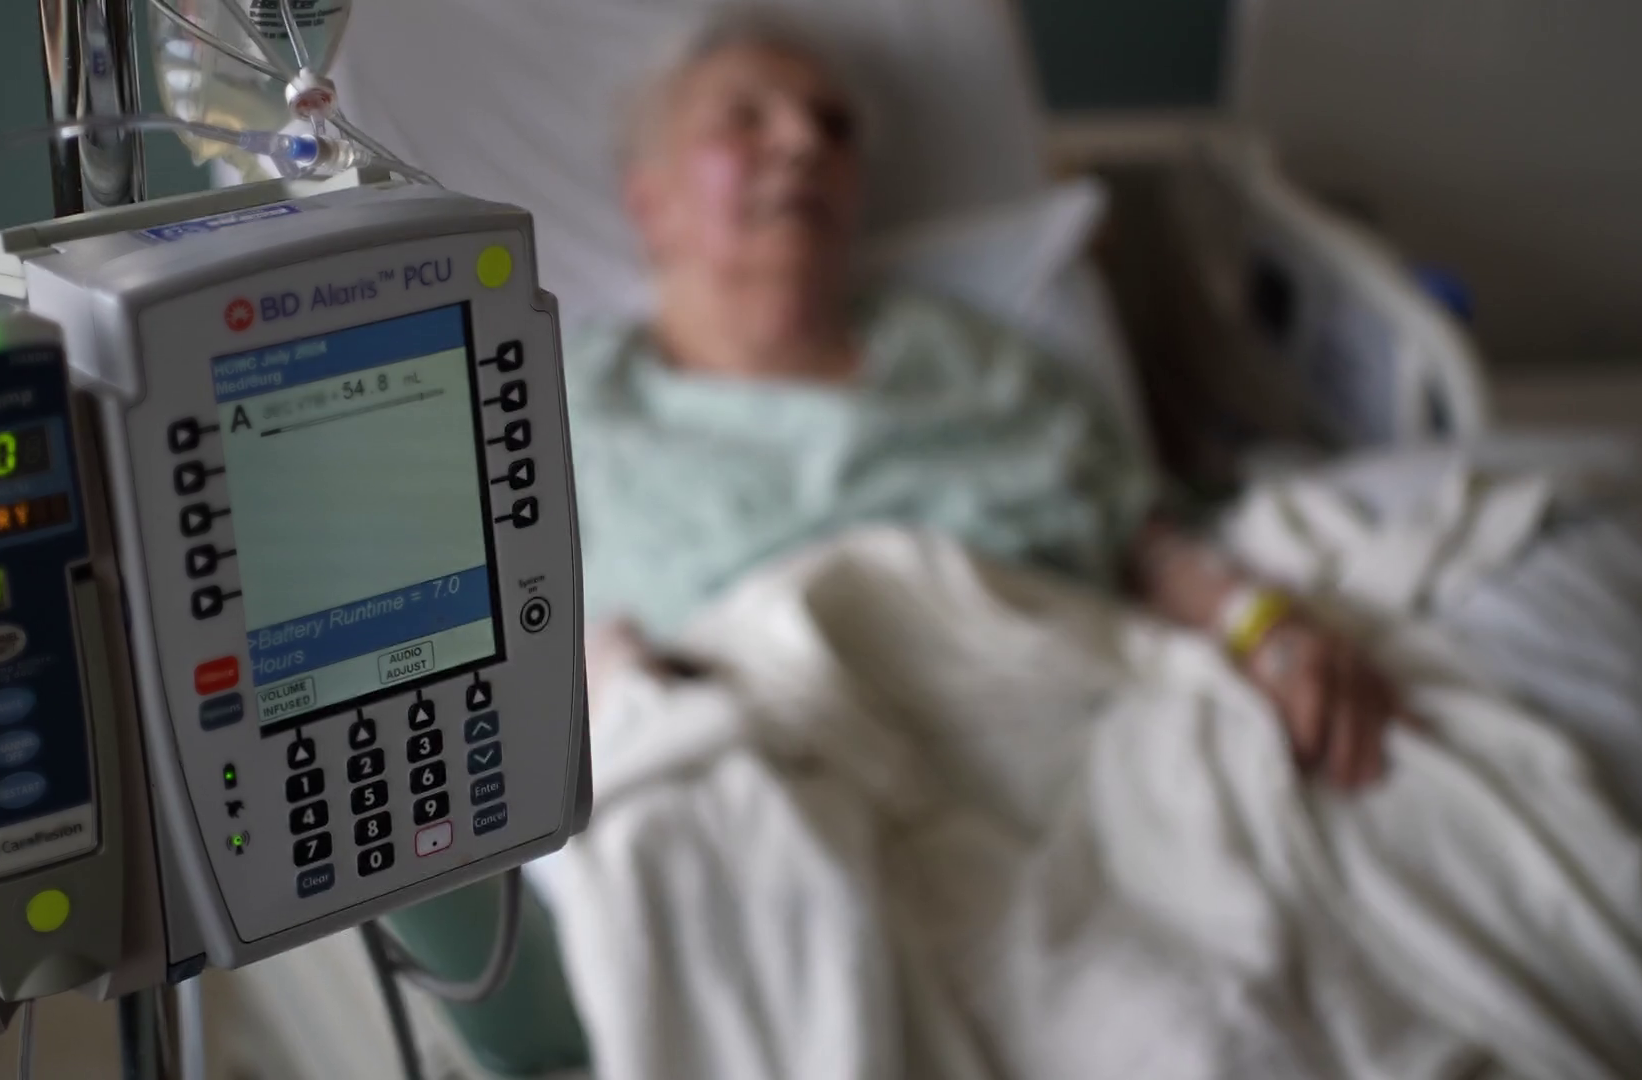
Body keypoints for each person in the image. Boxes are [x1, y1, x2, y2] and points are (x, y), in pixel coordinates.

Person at [566, 8, 1407, 790]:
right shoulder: (568, 410)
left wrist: (1270, 632)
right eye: (746, 118)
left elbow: (1141, 539)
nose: (801, 143)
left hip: (1071, 734)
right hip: (764, 767)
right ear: (650, 202)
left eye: (834, 127)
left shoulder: (974, 361)